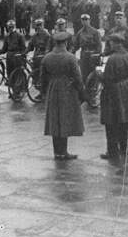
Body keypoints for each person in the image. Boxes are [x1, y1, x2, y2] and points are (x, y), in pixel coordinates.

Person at [40, 31, 84, 160]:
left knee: (54, 120)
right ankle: (63, 152)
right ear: (65, 42)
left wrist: (44, 93)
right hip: (67, 89)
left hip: (52, 89)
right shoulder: (70, 57)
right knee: (64, 118)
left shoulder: (47, 57)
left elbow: (42, 78)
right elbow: (78, 78)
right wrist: (81, 93)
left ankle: (57, 152)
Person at [99, 34, 128, 161]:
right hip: (125, 88)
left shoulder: (113, 58)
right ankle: (124, 148)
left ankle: (112, 150)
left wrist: (99, 74)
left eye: (111, 43)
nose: (110, 45)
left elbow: (107, 78)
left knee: (111, 120)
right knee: (124, 119)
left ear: (115, 43)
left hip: (113, 91)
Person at [74, 13, 102, 83]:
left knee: (93, 75)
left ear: (89, 21)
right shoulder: (80, 33)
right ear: (81, 21)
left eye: (86, 20)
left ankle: (93, 89)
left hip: (92, 55)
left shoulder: (95, 32)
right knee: (83, 74)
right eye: (83, 20)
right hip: (84, 55)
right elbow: (76, 45)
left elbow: (99, 46)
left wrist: (97, 55)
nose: (85, 22)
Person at [27, 18, 51, 93]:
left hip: (44, 55)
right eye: (37, 25)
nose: (38, 27)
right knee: (35, 74)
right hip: (36, 55)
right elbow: (30, 46)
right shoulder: (34, 35)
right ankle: (39, 89)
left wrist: (46, 54)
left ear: (43, 25)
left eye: (40, 25)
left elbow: (48, 46)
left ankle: (44, 92)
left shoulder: (47, 35)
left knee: (43, 74)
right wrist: (25, 52)